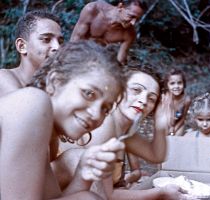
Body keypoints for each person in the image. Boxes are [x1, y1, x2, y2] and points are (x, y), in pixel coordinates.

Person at [0, 41, 126, 199]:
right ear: (55, 81)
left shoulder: (48, 140)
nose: (96, 114)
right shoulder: (31, 103)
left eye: (105, 109)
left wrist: (82, 177)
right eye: (88, 94)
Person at [56, 65, 188, 200]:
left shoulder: (124, 129)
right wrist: (161, 193)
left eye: (151, 99)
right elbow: (104, 196)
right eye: (136, 90)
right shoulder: (105, 125)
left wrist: (160, 124)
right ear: (118, 89)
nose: (143, 100)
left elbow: (156, 155)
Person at [0, 10, 63, 96]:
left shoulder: (55, 83)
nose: (57, 47)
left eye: (60, 41)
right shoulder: (4, 77)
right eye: (46, 39)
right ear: (22, 46)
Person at [70, 0, 146, 65]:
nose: (133, 23)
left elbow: (120, 61)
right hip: (78, 53)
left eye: (137, 19)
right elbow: (74, 41)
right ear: (120, 7)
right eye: (131, 16)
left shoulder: (129, 34)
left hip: (100, 63)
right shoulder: (93, 10)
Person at [163, 68, 192, 136]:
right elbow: (163, 118)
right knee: (163, 137)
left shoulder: (187, 100)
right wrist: (169, 129)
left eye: (179, 83)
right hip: (165, 123)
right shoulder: (164, 98)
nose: (176, 86)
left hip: (178, 123)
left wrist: (173, 130)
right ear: (167, 85)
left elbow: (183, 118)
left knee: (177, 137)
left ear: (184, 84)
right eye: (172, 83)